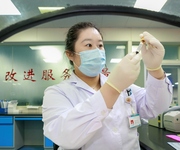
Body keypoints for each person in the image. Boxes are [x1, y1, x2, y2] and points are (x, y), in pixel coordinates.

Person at [42, 22, 172, 150]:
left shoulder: (125, 87)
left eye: (100, 45)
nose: (97, 50)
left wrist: (155, 70)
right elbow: (65, 137)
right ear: (70, 54)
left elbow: (154, 107)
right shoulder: (57, 93)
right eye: (88, 45)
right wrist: (112, 89)